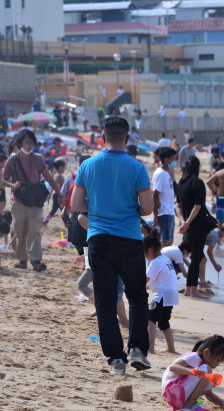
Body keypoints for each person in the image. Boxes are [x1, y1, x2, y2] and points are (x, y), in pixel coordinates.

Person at [70, 116, 153, 375]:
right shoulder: (138, 168)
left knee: (105, 301)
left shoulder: (87, 165)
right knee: (137, 294)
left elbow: (75, 205)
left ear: (102, 137)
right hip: (129, 237)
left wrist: (95, 207)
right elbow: (148, 208)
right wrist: (130, 208)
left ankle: (116, 359)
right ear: (127, 139)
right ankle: (138, 349)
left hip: (99, 238)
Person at [3, 129, 64, 272]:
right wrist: (13, 185)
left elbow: (49, 177)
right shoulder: (12, 160)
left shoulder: (38, 159)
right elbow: (3, 180)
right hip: (18, 200)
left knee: (35, 230)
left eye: (32, 142)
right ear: (20, 143)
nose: (30, 145)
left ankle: (36, 260)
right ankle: (22, 260)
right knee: (19, 231)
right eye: (27, 142)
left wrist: (60, 194)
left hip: (36, 200)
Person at [161, 335, 224, 411]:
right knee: (207, 370)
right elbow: (173, 367)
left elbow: (209, 395)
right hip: (172, 390)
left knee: (210, 380)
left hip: (177, 396)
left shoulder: (202, 368)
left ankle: (187, 405)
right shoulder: (194, 356)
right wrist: (191, 371)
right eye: (218, 360)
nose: (218, 364)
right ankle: (189, 405)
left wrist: (222, 403)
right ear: (206, 352)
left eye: (220, 362)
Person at [177, 156, 212, 299]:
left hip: (187, 224)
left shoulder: (180, 183)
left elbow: (177, 205)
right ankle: (193, 291)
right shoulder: (198, 183)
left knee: (194, 258)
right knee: (196, 257)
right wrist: (188, 222)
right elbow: (198, 207)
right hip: (197, 225)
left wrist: (183, 221)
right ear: (197, 168)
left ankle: (187, 289)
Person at [144, 230, 179, 355]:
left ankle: (150, 348)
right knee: (164, 322)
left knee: (150, 319)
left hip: (162, 295)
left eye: (145, 254)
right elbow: (156, 282)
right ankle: (171, 349)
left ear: (151, 250)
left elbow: (145, 280)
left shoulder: (155, 262)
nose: (145, 257)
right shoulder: (165, 259)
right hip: (171, 295)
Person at [179, 223, 224, 288]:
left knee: (202, 259)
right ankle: (202, 281)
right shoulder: (215, 236)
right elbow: (209, 252)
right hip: (191, 241)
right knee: (203, 260)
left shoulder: (216, 232)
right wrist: (215, 265)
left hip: (191, 239)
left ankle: (202, 280)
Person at [153, 147, 177, 247]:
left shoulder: (166, 173)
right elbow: (155, 195)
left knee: (170, 240)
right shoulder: (160, 174)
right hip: (164, 212)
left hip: (170, 211)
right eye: (173, 158)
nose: (175, 161)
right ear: (167, 160)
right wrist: (155, 216)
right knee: (165, 242)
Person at [44, 160, 66, 225]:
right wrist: (49, 195)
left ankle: (67, 224)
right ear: (61, 167)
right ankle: (45, 221)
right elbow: (53, 186)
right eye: (64, 167)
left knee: (60, 210)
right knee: (59, 210)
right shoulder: (58, 176)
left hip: (57, 195)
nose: (64, 169)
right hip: (58, 196)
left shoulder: (57, 174)